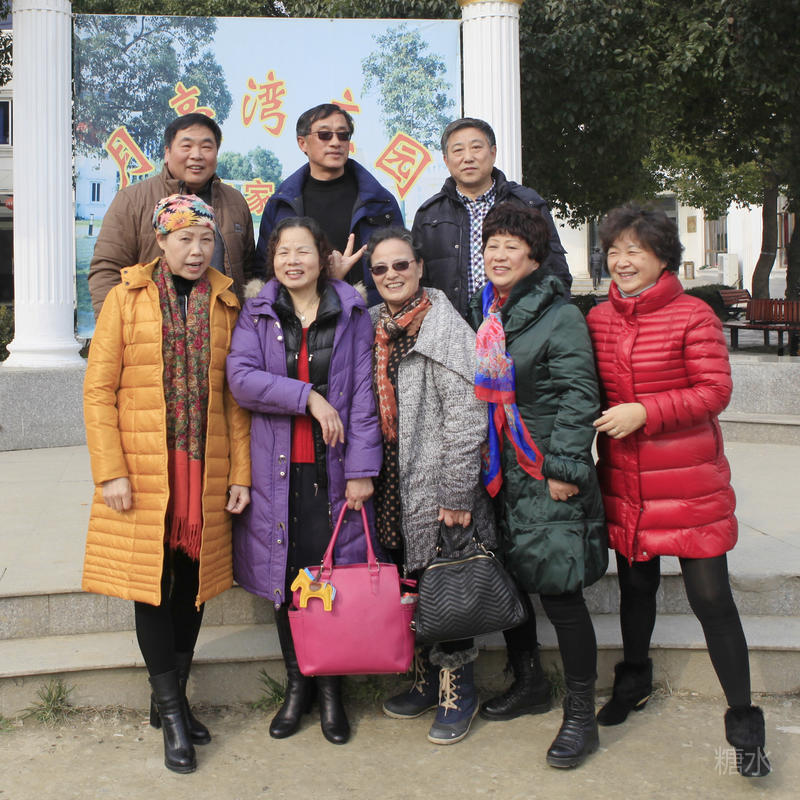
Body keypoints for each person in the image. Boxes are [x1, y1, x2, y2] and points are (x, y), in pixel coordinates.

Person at [586, 205, 770, 778]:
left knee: (711, 599)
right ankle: (633, 682)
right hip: (626, 482)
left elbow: (714, 391)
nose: (622, 262)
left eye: (635, 251)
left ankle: (743, 721)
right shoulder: (598, 318)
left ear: (663, 256)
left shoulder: (693, 315)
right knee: (636, 589)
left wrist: (645, 411)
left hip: (689, 483)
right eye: (614, 251)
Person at [82, 194, 251, 774]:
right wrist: (111, 471)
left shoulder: (226, 302)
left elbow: (235, 399)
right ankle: (175, 715)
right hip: (144, 466)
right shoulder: (126, 298)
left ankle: (171, 699)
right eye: (184, 239)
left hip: (205, 465)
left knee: (192, 583)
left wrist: (241, 474)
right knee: (152, 584)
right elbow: (98, 390)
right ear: (160, 241)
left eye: (205, 239)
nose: (197, 250)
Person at [226, 216, 382, 746]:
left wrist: (361, 470)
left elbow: (363, 397)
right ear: (272, 260)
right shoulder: (257, 312)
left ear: (323, 257)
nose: (293, 261)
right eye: (283, 252)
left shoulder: (351, 312)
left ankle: (331, 688)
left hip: (330, 472)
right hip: (276, 470)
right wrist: (309, 398)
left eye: (303, 251)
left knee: (327, 577)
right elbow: (241, 380)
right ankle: (297, 684)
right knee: (285, 577)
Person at [468, 202, 607, 769]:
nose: (499, 255)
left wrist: (564, 469)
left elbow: (580, 394)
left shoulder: (559, 314)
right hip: (501, 472)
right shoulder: (489, 311)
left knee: (561, 594)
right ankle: (529, 684)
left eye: (511, 246)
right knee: (516, 586)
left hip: (543, 470)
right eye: (492, 245)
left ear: (534, 255)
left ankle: (581, 715)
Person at [364, 227, 496, 745]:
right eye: (380, 268)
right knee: (412, 584)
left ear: (420, 267)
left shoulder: (444, 325)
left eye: (401, 264)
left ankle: (458, 691)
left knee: (447, 589)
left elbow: (468, 416)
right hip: (392, 481)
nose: (392, 275)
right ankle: (425, 680)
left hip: (437, 483)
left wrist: (457, 492)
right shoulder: (375, 325)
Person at [89, 113, 255, 316]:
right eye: (186, 146)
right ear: (167, 153)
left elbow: (248, 271)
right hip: (152, 328)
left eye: (206, 147)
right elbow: (106, 271)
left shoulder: (235, 202)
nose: (196, 155)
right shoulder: (132, 200)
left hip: (224, 329)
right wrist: (117, 325)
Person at [413, 117, 571, 318]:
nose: (468, 158)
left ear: (493, 152)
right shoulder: (429, 215)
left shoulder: (526, 204)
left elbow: (556, 274)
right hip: (451, 330)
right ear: (446, 160)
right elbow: (418, 285)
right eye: (458, 150)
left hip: (519, 327)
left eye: (476, 148)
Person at [255, 103, 403, 305]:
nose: (335, 142)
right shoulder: (281, 204)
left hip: (370, 314)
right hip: (300, 316)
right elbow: (264, 270)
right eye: (325, 135)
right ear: (302, 143)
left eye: (343, 135)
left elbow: (403, 263)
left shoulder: (379, 201)